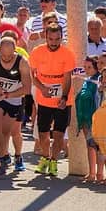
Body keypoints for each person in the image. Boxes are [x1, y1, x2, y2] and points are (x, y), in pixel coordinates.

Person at [29, 22, 75, 177]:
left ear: (61, 38)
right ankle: (45, 158)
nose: (54, 42)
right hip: (44, 97)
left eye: (57, 39)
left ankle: (54, 161)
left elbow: (68, 78)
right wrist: (42, 88)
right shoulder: (37, 52)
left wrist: (63, 97)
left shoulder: (67, 53)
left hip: (63, 97)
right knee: (43, 133)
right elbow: (33, 76)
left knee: (59, 134)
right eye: (51, 39)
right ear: (46, 38)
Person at [0, 36, 31, 174]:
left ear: (15, 51)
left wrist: (7, 95)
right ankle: (1, 157)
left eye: (9, 56)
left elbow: (27, 89)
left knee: (6, 131)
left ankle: (2, 155)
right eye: (3, 55)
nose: (6, 58)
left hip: (14, 96)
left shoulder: (23, 62)